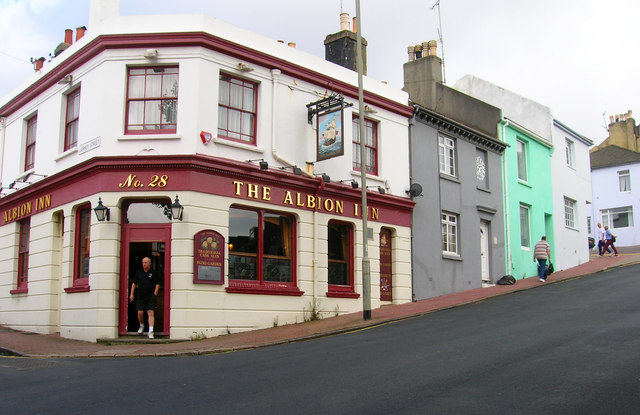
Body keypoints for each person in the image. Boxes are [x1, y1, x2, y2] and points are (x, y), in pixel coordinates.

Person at [129, 257, 162, 339]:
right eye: (143, 262)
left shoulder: (154, 273)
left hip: (150, 296)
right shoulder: (139, 273)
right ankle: (141, 325)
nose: (144, 264)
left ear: (150, 263)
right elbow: (134, 283)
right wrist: (132, 294)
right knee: (140, 312)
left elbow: (158, 284)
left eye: (146, 262)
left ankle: (151, 331)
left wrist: (155, 294)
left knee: (151, 312)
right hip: (140, 295)